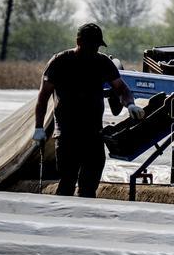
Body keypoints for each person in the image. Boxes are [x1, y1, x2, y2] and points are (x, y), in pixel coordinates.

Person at [32, 23, 144, 198]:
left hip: (92, 133)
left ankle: (85, 219)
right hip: (67, 133)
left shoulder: (102, 62)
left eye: (97, 46)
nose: (94, 49)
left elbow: (121, 88)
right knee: (67, 181)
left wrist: (130, 104)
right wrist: (39, 128)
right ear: (79, 41)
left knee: (90, 184)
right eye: (91, 45)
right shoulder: (60, 62)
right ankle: (63, 216)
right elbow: (43, 96)